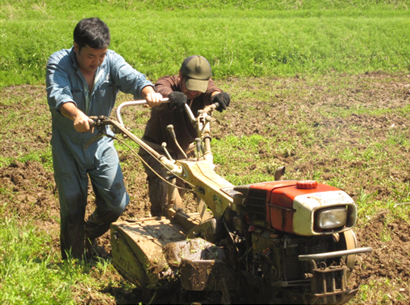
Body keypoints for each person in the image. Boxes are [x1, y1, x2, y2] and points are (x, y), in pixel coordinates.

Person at [46, 17, 162, 259]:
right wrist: (76, 114)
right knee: (72, 206)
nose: (97, 62)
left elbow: (134, 78)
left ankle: (88, 232)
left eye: (101, 56)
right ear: (76, 47)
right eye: (91, 56)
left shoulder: (111, 61)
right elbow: (58, 94)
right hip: (68, 145)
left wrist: (148, 91)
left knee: (117, 203)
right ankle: (72, 260)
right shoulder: (59, 62)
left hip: (101, 142)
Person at [139, 55, 231, 216]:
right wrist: (171, 96)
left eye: (198, 88)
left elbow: (211, 90)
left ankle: (183, 220)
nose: (194, 92)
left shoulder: (203, 87)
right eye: (190, 86)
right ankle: (160, 222)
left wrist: (218, 95)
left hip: (185, 149)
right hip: (157, 149)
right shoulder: (168, 82)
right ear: (181, 75)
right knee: (163, 193)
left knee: (190, 186)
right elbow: (160, 89)